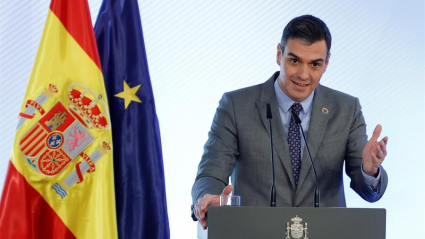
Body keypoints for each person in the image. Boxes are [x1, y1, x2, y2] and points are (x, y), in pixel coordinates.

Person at [191, 15, 388, 229]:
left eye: (315, 64)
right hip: (255, 232)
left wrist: (369, 172)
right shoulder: (237, 106)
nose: (303, 75)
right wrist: (206, 197)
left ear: (326, 63)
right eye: (294, 60)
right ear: (279, 54)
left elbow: (368, 191)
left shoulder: (346, 109)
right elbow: (211, 172)